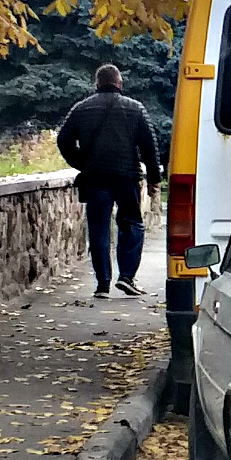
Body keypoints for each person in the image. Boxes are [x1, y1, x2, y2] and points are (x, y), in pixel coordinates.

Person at [58, 64, 162, 299]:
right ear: (119, 83)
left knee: (98, 229)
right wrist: (154, 179)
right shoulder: (135, 109)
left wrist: (82, 164)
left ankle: (102, 284)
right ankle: (126, 277)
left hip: (95, 177)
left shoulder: (81, 109)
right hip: (126, 176)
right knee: (132, 223)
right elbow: (149, 147)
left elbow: (63, 140)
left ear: (97, 84)